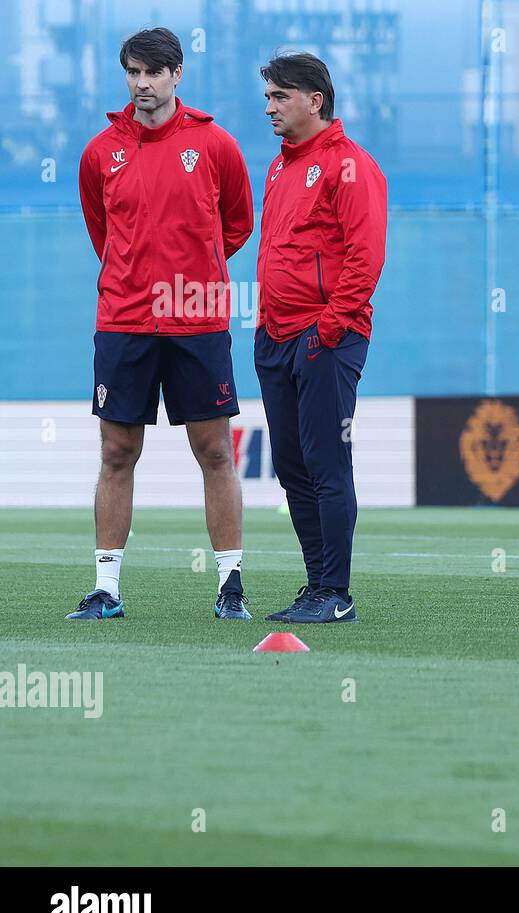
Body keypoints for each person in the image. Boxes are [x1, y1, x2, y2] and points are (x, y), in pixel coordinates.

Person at [69, 27, 253, 621]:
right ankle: (107, 590)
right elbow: (103, 232)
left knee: (214, 451)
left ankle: (230, 587)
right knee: (117, 451)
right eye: (132, 72)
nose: (142, 84)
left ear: (178, 75)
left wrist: (189, 273)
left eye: (153, 72)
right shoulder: (100, 152)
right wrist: (135, 277)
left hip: (196, 317)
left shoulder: (216, 144)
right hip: (122, 320)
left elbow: (237, 223)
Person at [255, 53, 388, 624]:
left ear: (315, 101)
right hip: (276, 336)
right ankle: (315, 588)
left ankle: (336, 593)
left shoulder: (351, 166)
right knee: (291, 465)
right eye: (268, 97)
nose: (270, 107)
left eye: (281, 96)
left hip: (326, 337)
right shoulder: (280, 166)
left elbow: (366, 259)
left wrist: (326, 330)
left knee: (326, 462)